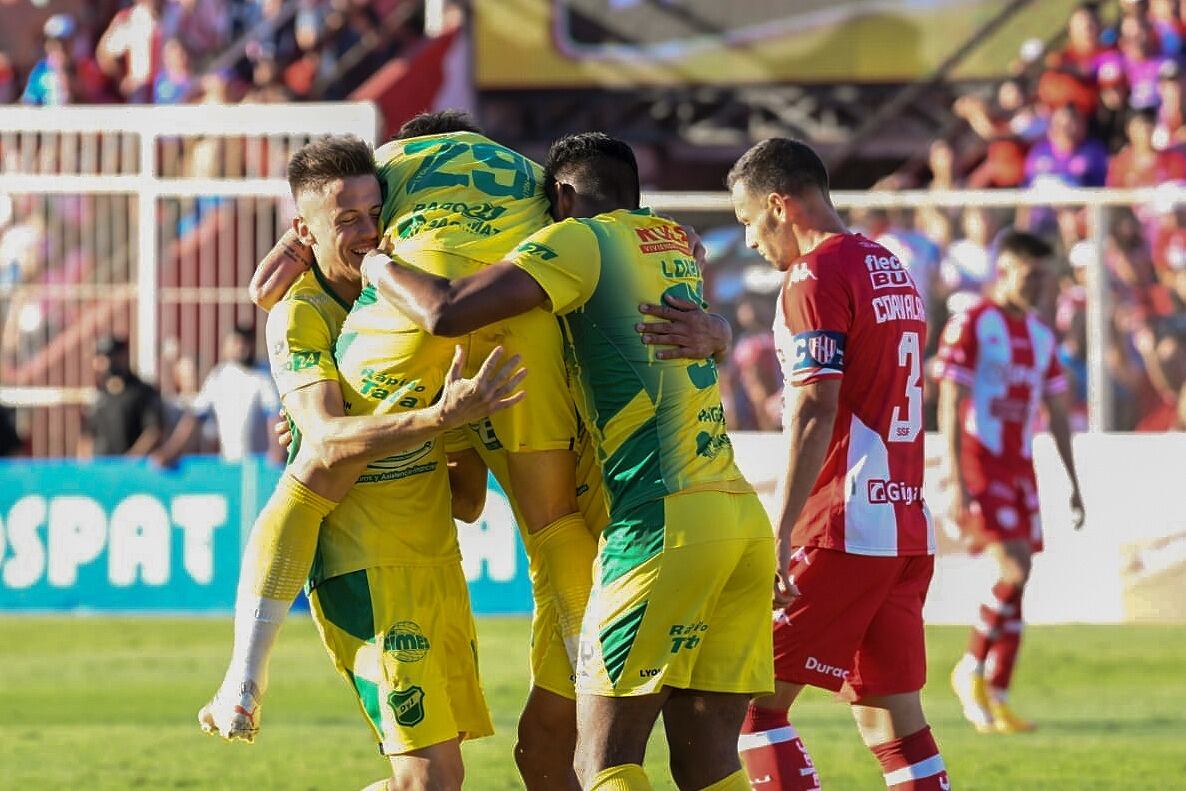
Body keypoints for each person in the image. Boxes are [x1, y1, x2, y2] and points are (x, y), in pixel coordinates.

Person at [361, 131, 774, 791]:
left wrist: (377, 267)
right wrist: (721, 329)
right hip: (739, 522)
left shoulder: (579, 240)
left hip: (656, 524)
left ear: (561, 197)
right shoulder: (671, 240)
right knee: (704, 763)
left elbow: (445, 309)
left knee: (600, 761)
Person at [199, 136, 525, 791]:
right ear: (304, 230)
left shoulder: (410, 291)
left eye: (376, 212)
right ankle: (243, 671)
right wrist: (438, 418)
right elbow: (321, 437)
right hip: (363, 569)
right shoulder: (300, 312)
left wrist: (463, 431)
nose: (370, 232)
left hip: (435, 562)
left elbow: (465, 501)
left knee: (434, 779)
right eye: (346, 220)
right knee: (429, 777)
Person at [726, 138, 950, 791]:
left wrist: (780, 527)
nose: (748, 240)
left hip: (842, 522)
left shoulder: (814, 276)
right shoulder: (891, 267)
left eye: (748, 221)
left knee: (746, 699)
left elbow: (813, 407)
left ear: (779, 205)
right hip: (903, 521)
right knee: (892, 719)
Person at [939, 231, 1086, 734]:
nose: (1041, 286)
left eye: (1046, 277)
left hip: (1021, 467)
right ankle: (970, 667)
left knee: (1020, 582)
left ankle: (998, 694)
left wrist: (1072, 480)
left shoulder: (1042, 336)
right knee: (1015, 569)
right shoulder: (975, 322)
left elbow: (1059, 410)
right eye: (1031, 276)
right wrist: (954, 474)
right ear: (1005, 270)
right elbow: (951, 399)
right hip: (982, 461)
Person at [151, 325, 280, 465]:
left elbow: (274, 415)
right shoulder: (219, 376)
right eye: (236, 343)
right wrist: (171, 451)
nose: (241, 348)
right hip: (229, 463)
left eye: (245, 343)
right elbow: (195, 416)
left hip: (260, 466)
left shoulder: (265, 375)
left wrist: (277, 450)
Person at [77, 336, 164, 458]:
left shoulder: (142, 392)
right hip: (100, 470)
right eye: (100, 357)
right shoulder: (97, 396)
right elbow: (86, 436)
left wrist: (130, 461)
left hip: (132, 471)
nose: (106, 362)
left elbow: (153, 431)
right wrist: (85, 466)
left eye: (111, 356)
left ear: (123, 356)